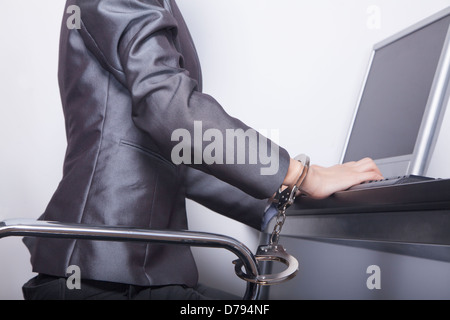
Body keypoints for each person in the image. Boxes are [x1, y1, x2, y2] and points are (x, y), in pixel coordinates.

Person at [22, 0, 383, 300]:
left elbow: (177, 153)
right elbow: (172, 111)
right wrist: (303, 174)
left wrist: (284, 197)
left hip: (127, 268)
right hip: (103, 272)